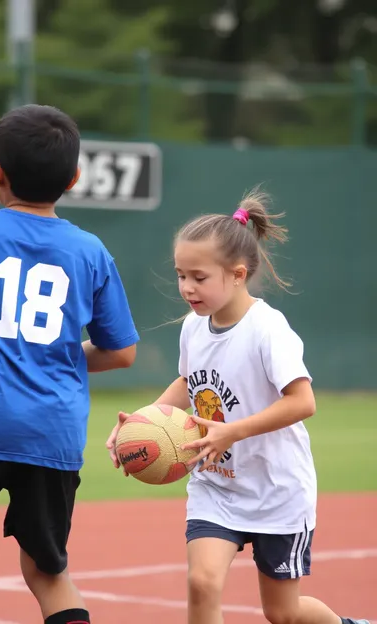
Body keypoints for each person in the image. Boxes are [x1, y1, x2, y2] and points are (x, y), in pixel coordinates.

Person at [106, 191, 369, 624]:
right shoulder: (193, 327)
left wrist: (233, 431)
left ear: (237, 274)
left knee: (282, 613)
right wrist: (140, 420)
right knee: (202, 582)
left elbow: (303, 402)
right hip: (217, 487)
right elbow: (189, 382)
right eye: (180, 275)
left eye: (199, 277)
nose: (186, 287)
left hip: (277, 491)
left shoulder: (268, 330)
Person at [0, 104, 139, 624]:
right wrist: (55, 355)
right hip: (53, 435)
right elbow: (121, 351)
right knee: (46, 571)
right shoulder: (90, 251)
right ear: (75, 178)